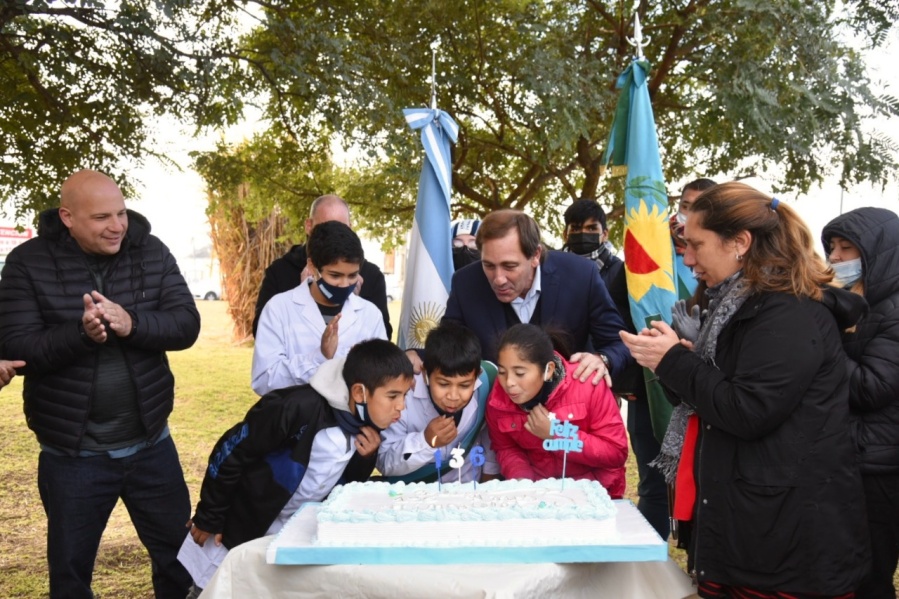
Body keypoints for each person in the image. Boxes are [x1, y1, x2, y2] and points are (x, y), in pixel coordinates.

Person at [621, 182, 869, 596]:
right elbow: (714, 397)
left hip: (786, 542)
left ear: (739, 242)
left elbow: (747, 410)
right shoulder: (738, 303)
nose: (687, 258)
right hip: (750, 525)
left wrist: (674, 361)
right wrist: (675, 363)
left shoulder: (789, 313)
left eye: (696, 244)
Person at [0, 169, 200, 598]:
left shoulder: (151, 252)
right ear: (68, 217)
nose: (117, 226)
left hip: (151, 445)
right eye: (102, 217)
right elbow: (17, 346)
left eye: (122, 213)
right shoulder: (28, 263)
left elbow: (186, 324)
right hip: (72, 455)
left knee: (181, 561)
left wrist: (133, 323)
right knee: (71, 575)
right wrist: (80, 335)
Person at [180, 339, 412, 594]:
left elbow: (342, 485)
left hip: (288, 533)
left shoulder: (367, 424)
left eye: (404, 395)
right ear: (359, 393)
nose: (401, 406)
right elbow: (232, 450)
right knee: (215, 588)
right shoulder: (297, 407)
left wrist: (365, 458)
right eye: (393, 396)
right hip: (239, 524)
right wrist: (209, 516)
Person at [561, 198, 669, 537]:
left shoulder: (625, 272)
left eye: (591, 229)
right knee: (568, 458)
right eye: (576, 229)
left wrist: (623, 375)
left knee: (626, 462)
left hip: (618, 379)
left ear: (605, 232)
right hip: (568, 383)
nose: (583, 235)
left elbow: (631, 327)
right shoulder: (556, 269)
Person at [443, 209, 631, 385]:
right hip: (495, 411)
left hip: (568, 408)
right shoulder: (465, 282)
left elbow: (618, 343)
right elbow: (448, 346)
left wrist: (602, 360)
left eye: (509, 266)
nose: (498, 279)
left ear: (535, 255)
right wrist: (416, 356)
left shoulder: (582, 276)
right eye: (489, 266)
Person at [822, 207, 899, 599]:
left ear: (878, 253)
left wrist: (824, 340)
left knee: (870, 577)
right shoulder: (853, 302)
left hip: (879, 469)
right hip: (850, 458)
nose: (834, 257)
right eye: (832, 247)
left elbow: (872, 386)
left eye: (846, 248)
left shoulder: (893, 310)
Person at [485, 323, 627, 497]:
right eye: (502, 372)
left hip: (594, 494)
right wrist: (523, 481)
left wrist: (556, 434)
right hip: (539, 496)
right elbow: (506, 448)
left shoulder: (588, 384)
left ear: (548, 370)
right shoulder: (498, 400)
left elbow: (615, 452)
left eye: (520, 373)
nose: (509, 383)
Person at [252, 221, 387, 396]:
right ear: (312, 266)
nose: (344, 285)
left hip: (350, 422)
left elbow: (383, 378)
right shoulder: (279, 308)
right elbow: (263, 381)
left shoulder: (370, 314)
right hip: (295, 419)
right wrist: (319, 357)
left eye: (352, 275)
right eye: (335, 275)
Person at [252, 194, 391, 338]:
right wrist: (303, 296)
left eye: (341, 228)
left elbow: (382, 340)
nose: (334, 237)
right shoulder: (280, 271)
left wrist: (353, 302)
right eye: (324, 229)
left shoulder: (371, 275)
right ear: (309, 226)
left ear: (350, 228)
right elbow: (262, 332)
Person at [377, 321, 499, 483]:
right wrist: (426, 441)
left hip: (469, 488)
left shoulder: (489, 380)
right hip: (413, 494)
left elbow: (491, 436)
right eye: (443, 384)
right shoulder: (402, 395)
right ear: (425, 373)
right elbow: (384, 463)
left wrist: (488, 482)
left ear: (477, 374)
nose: (453, 396)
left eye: (464, 385)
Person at [670, 178, 717, 299]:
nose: (690, 215)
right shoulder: (656, 245)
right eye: (686, 207)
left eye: (699, 208)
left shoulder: (725, 254)